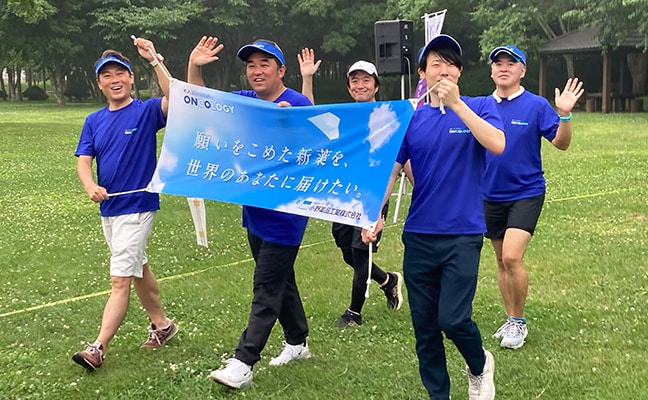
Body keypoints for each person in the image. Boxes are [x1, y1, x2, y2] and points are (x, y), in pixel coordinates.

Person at [362, 34, 504, 400]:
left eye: (450, 64)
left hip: (463, 234)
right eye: (435, 63)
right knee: (425, 329)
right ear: (422, 73)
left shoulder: (480, 106)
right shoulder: (412, 119)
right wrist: (374, 213)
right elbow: (392, 171)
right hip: (420, 235)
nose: (443, 70)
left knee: (453, 318)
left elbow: (497, 143)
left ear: (459, 72)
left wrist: (458, 106)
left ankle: (479, 364)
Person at [187, 36, 312, 389]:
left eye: (264, 64)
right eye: (251, 65)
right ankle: (298, 342)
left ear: (281, 70)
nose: (256, 71)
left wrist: (294, 125)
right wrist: (195, 66)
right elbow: (201, 103)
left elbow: (320, 149)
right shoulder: (245, 101)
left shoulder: (297, 104)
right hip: (255, 213)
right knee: (281, 280)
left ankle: (243, 362)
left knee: (266, 287)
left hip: (285, 218)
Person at [72, 37, 177, 371]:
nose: (114, 79)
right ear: (99, 83)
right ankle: (163, 325)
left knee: (120, 279)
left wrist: (154, 60)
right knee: (137, 268)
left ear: (131, 78)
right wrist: (90, 186)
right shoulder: (94, 120)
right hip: (110, 209)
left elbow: (175, 98)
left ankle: (98, 348)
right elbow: (84, 160)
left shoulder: (145, 111)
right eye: (107, 75)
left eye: (120, 73)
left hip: (138, 206)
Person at [484, 46, 584, 349]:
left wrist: (564, 115)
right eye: (498, 63)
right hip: (489, 193)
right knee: (500, 260)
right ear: (491, 70)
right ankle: (510, 317)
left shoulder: (536, 105)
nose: (503, 68)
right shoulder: (481, 106)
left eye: (510, 63)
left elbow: (561, 143)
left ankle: (519, 322)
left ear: (522, 70)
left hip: (526, 192)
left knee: (512, 257)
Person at [297, 52, 404, 327]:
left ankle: (354, 313)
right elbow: (309, 117)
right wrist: (307, 79)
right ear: (348, 87)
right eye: (354, 81)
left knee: (360, 251)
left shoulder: (390, 115)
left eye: (366, 80)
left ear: (376, 85)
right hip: (343, 194)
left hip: (373, 194)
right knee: (347, 251)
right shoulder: (343, 116)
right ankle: (388, 280)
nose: (360, 85)